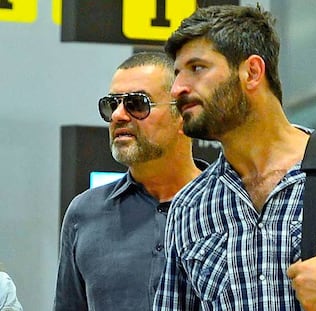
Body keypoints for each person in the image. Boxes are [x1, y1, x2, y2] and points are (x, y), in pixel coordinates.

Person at [154, 4, 316, 311]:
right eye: (177, 74)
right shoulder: (190, 207)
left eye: (197, 68)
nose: (177, 89)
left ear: (252, 72)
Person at [53, 51, 207, 311]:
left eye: (136, 104)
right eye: (112, 105)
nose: (118, 116)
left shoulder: (229, 207)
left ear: (182, 115)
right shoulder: (84, 213)